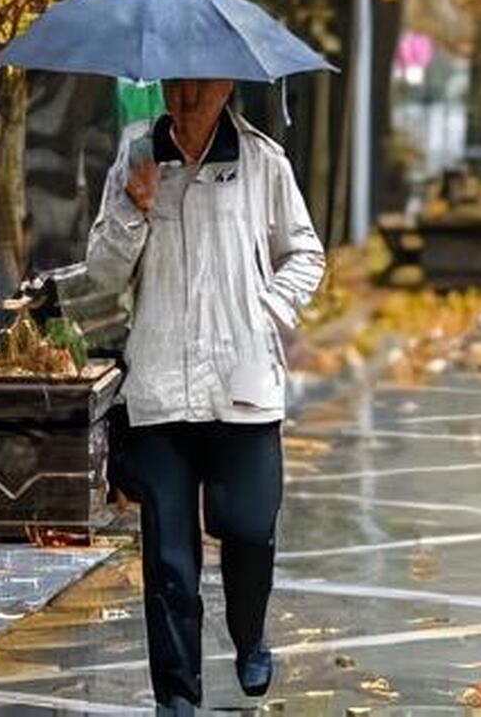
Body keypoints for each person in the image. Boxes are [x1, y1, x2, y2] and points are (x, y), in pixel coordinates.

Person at [86, 79, 325, 714]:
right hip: (160, 388)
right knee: (168, 561)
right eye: (178, 80)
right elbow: (104, 272)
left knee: (248, 527)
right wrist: (134, 209)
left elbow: (306, 253)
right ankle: (177, 699)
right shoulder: (137, 155)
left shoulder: (262, 161)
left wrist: (265, 308)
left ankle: (249, 634)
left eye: (202, 81)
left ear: (226, 87)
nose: (188, 93)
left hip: (240, 385)